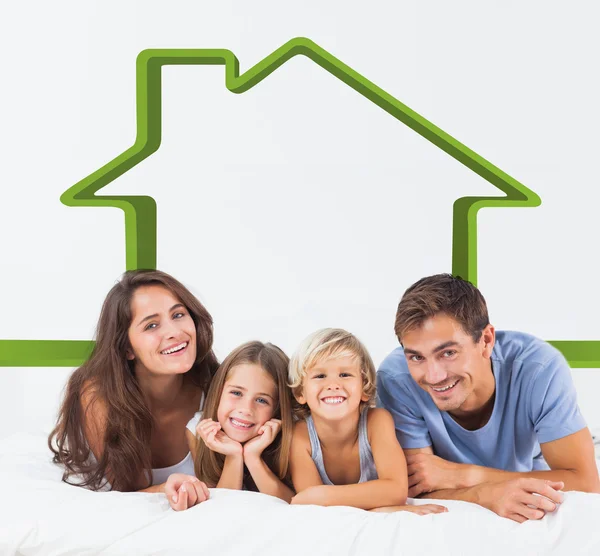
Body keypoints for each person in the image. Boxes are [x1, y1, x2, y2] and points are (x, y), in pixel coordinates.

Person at [377, 273, 600, 523]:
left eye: (448, 352)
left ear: (486, 340)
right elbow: (418, 487)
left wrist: (465, 476)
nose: (433, 375)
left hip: (534, 471)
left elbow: (585, 483)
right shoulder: (396, 379)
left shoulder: (539, 368)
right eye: (417, 357)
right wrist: (485, 495)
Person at [49, 270, 219, 511]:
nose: (174, 332)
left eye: (178, 314)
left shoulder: (217, 387)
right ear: (127, 348)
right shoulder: (97, 395)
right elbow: (126, 491)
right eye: (151, 325)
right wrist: (165, 488)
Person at [288, 328, 447, 515]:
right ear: (300, 392)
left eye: (345, 374)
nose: (333, 385)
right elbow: (312, 506)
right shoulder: (300, 435)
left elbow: (396, 491)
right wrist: (381, 507)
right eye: (320, 376)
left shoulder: (377, 422)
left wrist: (324, 495)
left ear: (364, 387)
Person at [194, 341, 295, 502]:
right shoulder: (198, 432)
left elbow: (295, 505)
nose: (246, 409)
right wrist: (234, 455)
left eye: (262, 400)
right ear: (219, 392)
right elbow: (220, 507)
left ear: (277, 409)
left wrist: (252, 457)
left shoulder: (294, 437)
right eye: (236, 393)